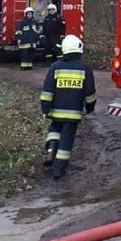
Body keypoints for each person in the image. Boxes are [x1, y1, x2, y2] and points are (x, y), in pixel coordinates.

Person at [40, 34, 97, 179]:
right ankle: (59, 169)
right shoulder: (85, 69)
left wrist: (45, 109)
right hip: (73, 114)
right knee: (66, 140)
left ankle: (51, 151)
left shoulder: (55, 67)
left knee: (54, 129)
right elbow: (90, 92)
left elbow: (47, 90)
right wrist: (90, 107)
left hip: (55, 111)